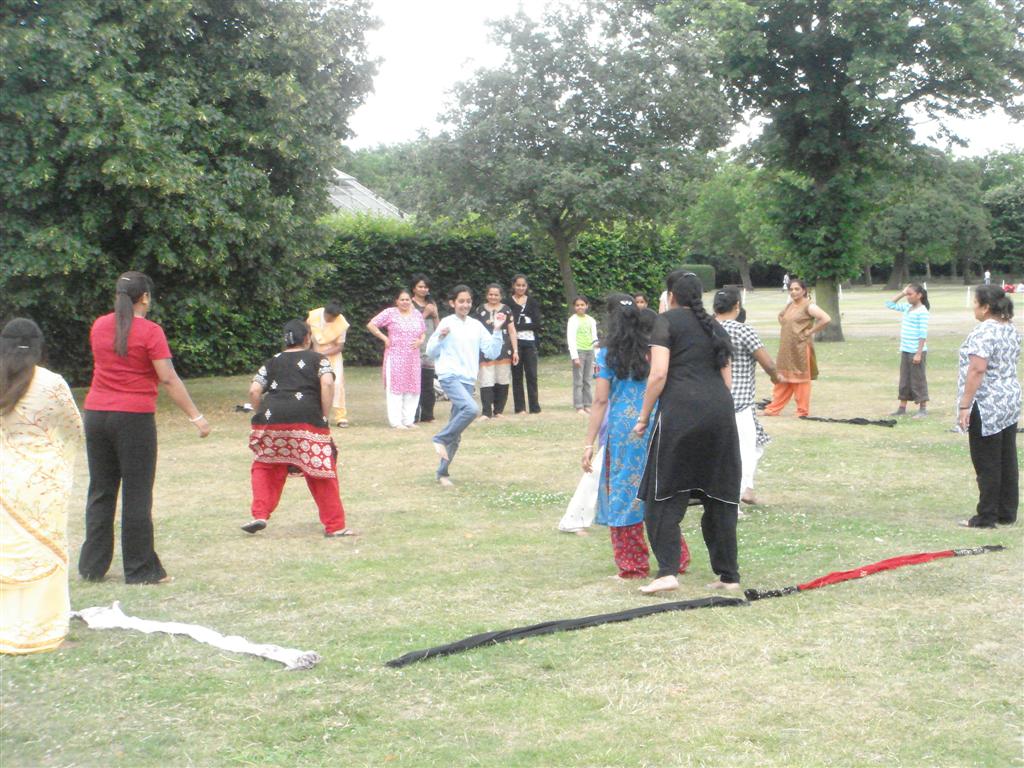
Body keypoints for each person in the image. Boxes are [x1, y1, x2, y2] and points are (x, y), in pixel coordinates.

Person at [79, 272, 210, 585]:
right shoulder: (151, 332)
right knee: (137, 494)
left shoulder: (99, 325)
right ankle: (139, 569)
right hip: (133, 418)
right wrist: (196, 416)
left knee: (101, 490)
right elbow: (167, 377)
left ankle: (92, 566)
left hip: (96, 414)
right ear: (145, 297)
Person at [635, 272, 742, 594]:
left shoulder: (665, 323)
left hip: (681, 414)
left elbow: (658, 375)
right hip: (720, 414)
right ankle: (729, 576)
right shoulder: (715, 326)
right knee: (719, 496)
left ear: (670, 295)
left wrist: (643, 417)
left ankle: (667, 571)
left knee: (662, 494)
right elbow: (727, 380)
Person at [581, 296, 690, 579]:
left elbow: (601, 401)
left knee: (624, 493)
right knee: (658, 490)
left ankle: (632, 564)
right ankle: (675, 557)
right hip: (655, 423)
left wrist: (588, 443)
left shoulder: (606, 354)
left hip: (624, 432)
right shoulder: (654, 351)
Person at [1, 319, 84, 654]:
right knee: (46, 552)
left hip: (3, 481)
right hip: (43, 484)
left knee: (7, 551)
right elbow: (73, 428)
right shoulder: (51, 383)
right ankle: (41, 629)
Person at [243, 320, 355, 537]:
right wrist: (324, 414)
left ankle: (259, 514)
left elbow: (254, 391)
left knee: (266, 464)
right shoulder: (318, 359)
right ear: (307, 338)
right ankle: (335, 525)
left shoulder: (272, 362)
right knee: (320, 470)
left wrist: (261, 415)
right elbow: (328, 384)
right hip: (307, 416)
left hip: (272, 417)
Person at [427, 285, 505, 486]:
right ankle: (440, 437)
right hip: (449, 376)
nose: (465, 305)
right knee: (471, 409)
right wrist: (440, 337)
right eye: (461, 301)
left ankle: (442, 473)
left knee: (457, 434)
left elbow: (492, 352)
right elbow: (430, 351)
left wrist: (497, 329)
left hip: (467, 380)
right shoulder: (446, 322)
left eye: (468, 301)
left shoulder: (476, 325)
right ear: (453, 303)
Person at [956, 286, 1020, 529]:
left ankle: (986, 516)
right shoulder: (1010, 329)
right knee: (1006, 457)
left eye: (975, 303)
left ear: (985, 307)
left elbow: (977, 368)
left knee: (987, 461)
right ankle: (1006, 511)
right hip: (1008, 399)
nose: (973, 307)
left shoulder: (984, 331)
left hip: (987, 402)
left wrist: (965, 405)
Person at [713, 288, 782, 506]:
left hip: (710, 399)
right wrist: (776, 377)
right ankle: (738, 494)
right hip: (739, 402)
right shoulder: (744, 331)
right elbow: (767, 362)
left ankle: (743, 489)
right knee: (744, 450)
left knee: (731, 447)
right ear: (737, 307)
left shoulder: (705, 329)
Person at [763, 278, 831, 417]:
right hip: (786, 348)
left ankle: (802, 411)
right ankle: (773, 409)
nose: (793, 292)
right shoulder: (790, 305)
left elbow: (826, 318)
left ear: (804, 290)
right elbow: (781, 316)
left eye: (797, 289)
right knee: (782, 378)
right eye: (791, 289)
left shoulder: (809, 306)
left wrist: (810, 331)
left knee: (801, 380)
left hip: (800, 348)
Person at [366, 289, 426, 429]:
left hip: (413, 358)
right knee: (396, 388)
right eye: (402, 299)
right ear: (397, 301)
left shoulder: (416, 314)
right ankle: (396, 421)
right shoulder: (390, 313)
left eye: (407, 300)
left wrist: (420, 341)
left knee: (413, 388)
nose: (405, 302)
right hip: (396, 356)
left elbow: (422, 332)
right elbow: (371, 325)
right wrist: (384, 338)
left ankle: (408, 420)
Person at [473, 283, 519, 419]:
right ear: (487, 295)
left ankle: (498, 411)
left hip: (504, 350)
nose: (493, 297)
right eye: (491, 294)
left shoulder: (506, 310)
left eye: (496, 294)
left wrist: (515, 350)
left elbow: (512, 330)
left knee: (502, 379)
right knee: (486, 380)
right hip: (485, 350)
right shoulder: (480, 310)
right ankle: (486, 412)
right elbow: (475, 330)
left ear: (501, 296)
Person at [886, 283, 931, 418]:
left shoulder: (922, 311)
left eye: (910, 294)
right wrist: (902, 293)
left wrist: (918, 353)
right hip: (905, 350)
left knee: (918, 379)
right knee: (904, 379)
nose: (908, 297)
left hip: (916, 351)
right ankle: (902, 407)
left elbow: (923, 334)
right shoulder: (907, 308)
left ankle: (922, 409)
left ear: (919, 295)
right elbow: (889, 304)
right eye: (907, 294)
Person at [307, 302, 350, 427]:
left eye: (333, 319)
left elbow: (339, 346)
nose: (329, 320)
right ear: (324, 312)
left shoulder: (341, 323)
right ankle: (316, 415)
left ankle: (340, 417)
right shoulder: (314, 315)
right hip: (314, 353)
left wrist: (323, 354)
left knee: (336, 384)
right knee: (314, 384)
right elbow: (306, 333)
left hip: (332, 356)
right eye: (328, 317)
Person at [509, 274, 542, 414]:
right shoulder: (507, 303)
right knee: (516, 375)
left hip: (530, 343)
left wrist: (518, 326)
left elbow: (537, 323)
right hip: (514, 344)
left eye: (523, 285)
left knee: (532, 375)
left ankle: (534, 407)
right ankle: (520, 408)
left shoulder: (532, 302)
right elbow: (507, 324)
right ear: (513, 286)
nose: (520, 288)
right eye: (518, 285)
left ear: (526, 287)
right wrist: (522, 325)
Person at [410, 274, 439, 422]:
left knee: (428, 383)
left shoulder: (431, 302)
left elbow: (437, 325)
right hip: (414, 346)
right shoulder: (409, 304)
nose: (423, 289)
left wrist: (434, 315)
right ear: (414, 288)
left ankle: (428, 415)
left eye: (425, 287)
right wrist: (426, 313)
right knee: (414, 383)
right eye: (420, 286)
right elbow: (410, 324)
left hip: (429, 345)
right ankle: (413, 415)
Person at [567, 296, 598, 414]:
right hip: (579, 352)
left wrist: (596, 354)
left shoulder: (591, 320)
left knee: (588, 380)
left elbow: (594, 338)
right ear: (574, 307)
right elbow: (570, 338)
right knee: (578, 380)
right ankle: (579, 406)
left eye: (582, 305)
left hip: (590, 351)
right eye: (577, 305)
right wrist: (574, 356)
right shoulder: (573, 320)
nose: (580, 307)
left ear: (587, 306)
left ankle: (588, 404)